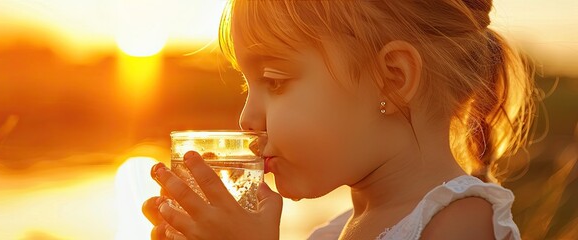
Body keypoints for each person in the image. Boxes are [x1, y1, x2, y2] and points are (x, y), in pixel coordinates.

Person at [142, 0, 538, 239]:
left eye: (275, 82)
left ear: (393, 80)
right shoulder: (336, 231)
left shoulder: (460, 223)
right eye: (249, 88)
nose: (247, 118)